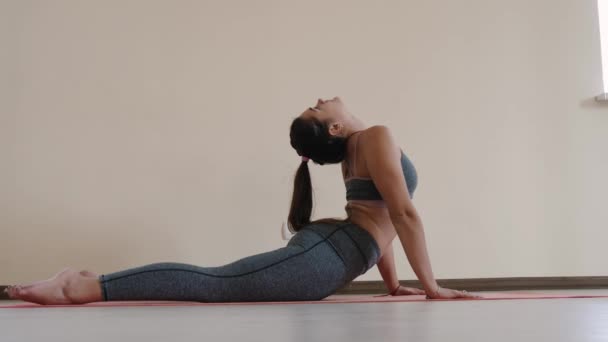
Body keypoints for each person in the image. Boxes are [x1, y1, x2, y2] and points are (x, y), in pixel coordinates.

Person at [4, 96, 479, 305]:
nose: (321, 98)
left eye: (313, 105)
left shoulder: (361, 146)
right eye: (317, 108)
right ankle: (84, 287)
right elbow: (402, 213)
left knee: (219, 281)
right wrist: (432, 287)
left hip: (333, 248)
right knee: (217, 283)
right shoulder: (375, 136)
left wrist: (396, 286)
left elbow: (383, 220)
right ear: (335, 128)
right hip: (325, 254)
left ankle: (88, 282)